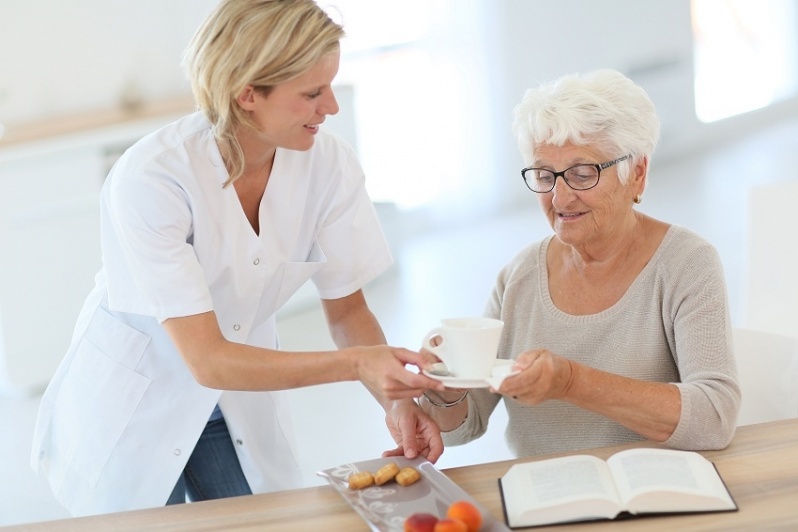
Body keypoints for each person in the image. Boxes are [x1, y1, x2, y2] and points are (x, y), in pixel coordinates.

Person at [31, 0, 444, 517]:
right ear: (248, 94)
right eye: (312, 93)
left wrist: (396, 401)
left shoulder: (329, 166)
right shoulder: (154, 178)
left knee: (255, 521)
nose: (331, 107)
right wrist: (357, 365)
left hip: (240, 393)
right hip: (136, 400)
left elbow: (348, 310)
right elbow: (207, 359)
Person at [418, 69, 740, 457]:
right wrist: (444, 387)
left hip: (650, 495)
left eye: (582, 174)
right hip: (544, 496)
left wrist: (571, 382)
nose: (559, 198)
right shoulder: (520, 276)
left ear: (637, 173)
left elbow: (714, 420)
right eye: (544, 175)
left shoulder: (686, 264)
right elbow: (463, 428)